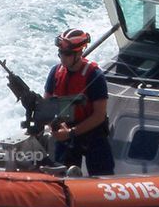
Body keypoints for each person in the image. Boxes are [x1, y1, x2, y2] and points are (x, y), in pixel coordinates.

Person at [43, 28, 115, 176]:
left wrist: (70, 133)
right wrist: (56, 126)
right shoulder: (55, 73)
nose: (62, 57)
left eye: (67, 54)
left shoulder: (94, 76)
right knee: (60, 174)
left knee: (103, 174)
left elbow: (99, 115)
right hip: (65, 133)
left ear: (79, 53)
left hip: (92, 134)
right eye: (60, 52)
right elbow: (47, 106)